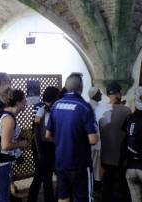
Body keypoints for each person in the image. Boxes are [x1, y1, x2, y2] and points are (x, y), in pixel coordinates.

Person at [46, 72, 98, 202]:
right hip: (79, 163)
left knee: (63, 197)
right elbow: (93, 139)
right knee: (83, 198)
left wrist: (62, 141)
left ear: (66, 87)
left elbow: (48, 135)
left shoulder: (55, 105)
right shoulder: (84, 107)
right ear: (81, 88)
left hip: (60, 162)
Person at [0, 87, 28, 202]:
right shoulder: (8, 119)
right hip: (1, 162)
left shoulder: (6, 115)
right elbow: (6, 145)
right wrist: (21, 143)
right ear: (18, 102)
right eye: (24, 100)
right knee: (4, 195)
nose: (26, 102)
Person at [99, 81, 131, 202]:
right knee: (124, 186)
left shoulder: (101, 110)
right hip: (121, 157)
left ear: (107, 94)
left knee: (107, 186)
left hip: (105, 156)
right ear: (120, 93)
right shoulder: (127, 111)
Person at [27, 86, 60, 202]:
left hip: (47, 147)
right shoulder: (41, 107)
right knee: (40, 176)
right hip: (41, 147)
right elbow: (36, 131)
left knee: (47, 176)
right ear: (53, 97)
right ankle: (32, 198)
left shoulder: (48, 107)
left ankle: (48, 198)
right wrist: (40, 152)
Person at [88, 86, 104, 189]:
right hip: (93, 144)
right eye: (99, 93)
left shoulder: (96, 106)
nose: (101, 94)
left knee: (96, 166)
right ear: (95, 95)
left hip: (96, 143)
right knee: (93, 166)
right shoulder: (92, 107)